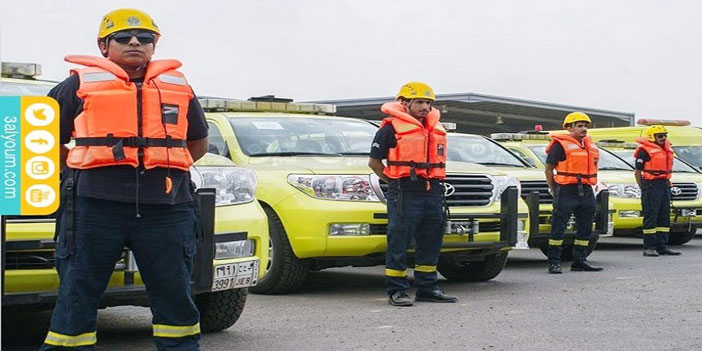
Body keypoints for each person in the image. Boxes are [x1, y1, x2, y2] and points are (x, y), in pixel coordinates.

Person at [40, 8, 208, 351]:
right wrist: (76, 167)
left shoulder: (179, 87)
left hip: (167, 208)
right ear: (104, 46)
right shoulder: (76, 86)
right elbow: (42, 139)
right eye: (123, 37)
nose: (135, 42)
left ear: (154, 45)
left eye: (145, 38)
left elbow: (197, 142)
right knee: (77, 292)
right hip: (94, 206)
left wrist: (164, 164)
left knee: (175, 294)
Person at [368, 82, 458, 306]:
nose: (425, 107)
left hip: (433, 190)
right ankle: (397, 290)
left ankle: (427, 288)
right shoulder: (390, 128)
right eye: (419, 102)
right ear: (404, 103)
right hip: (405, 190)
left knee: (431, 239)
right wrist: (394, 182)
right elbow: (374, 163)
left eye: (428, 103)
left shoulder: (434, 129)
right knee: (399, 239)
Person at [544, 112, 604, 274]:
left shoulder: (590, 145)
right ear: (569, 128)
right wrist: (553, 188)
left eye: (585, 126)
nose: (584, 129)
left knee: (585, 227)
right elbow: (549, 169)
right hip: (566, 190)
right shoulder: (560, 145)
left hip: (585, 189)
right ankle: (554, 262)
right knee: (559, 227)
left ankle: (579, 260)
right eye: (580, 126)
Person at [634, 125, 681, 257]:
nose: (663, 138)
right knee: (651, 216)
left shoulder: (667, 150)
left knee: (664, 216)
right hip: (651, 185)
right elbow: (637, 172)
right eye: (660, 136)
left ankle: (662, 246)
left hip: (664, 184)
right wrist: (643, 187)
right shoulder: (644, 151)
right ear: (651, 137)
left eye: (665, 135)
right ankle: (649, 247)